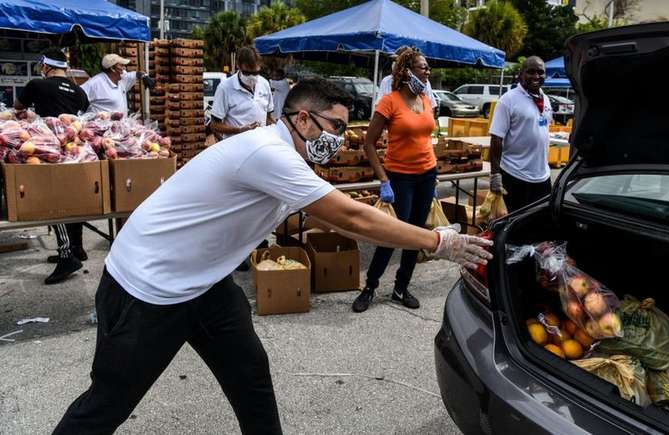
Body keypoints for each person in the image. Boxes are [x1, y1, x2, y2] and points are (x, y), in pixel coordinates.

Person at [51, 77, 491, 435]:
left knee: (249, 373)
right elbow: (351, 218)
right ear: (302, 118)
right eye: (336, 127)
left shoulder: (286, 156)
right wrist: (438, 242)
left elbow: (333, 219)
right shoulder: (270, 153)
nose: (341, 139)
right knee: (108, 403)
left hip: (203, 283)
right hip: (147, 287)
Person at [351, 48, 438, 313]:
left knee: (417, 235)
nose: (427, 72)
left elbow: (426, 136)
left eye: (427, 68)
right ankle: (370, 287)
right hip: (400, 178)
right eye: (423, 68)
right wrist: (383, 180)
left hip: (427, 174)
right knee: (392, 235)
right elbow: (368, 143)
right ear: (407, 71)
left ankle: (402, 287)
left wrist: (434, 173)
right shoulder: (389, 102)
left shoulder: (425, 98)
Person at [14, 48, 90, 285]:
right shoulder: (79, 91)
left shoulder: (37, 84)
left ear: (45, 65)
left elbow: (18, 106)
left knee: (54, 203)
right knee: (73, 200)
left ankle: (67, 256)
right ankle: (76, 248)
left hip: (50, 150)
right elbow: (82, 114)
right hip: (76, 150)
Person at [488, 56, 553, 213]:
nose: (536, 76)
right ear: (520, 74)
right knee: (515, 226)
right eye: (531, 72)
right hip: (514, 175)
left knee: (539, 225)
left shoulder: (546, 99)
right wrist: (495, 175)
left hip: (542, 176)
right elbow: (496, 139)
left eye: (540, 72)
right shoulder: (508, 100)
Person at [210, 47, 274, 141]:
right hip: (237, 147)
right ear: (238, 66)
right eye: (247, 73)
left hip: (261, 145)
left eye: (255, 73)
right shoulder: (225, 88)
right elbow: (215, 125)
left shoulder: (264, 84)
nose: (252, 77)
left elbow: (268, 118)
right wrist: (239, 130)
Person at [80, 53, 154, 115]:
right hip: (101, 129)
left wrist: (144, 76)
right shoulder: (95, 83)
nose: (124, 68)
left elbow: (136, 74)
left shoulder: (122, 79)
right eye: (121, 65)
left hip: (120, 128)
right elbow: (77, 95)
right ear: (112, 68)